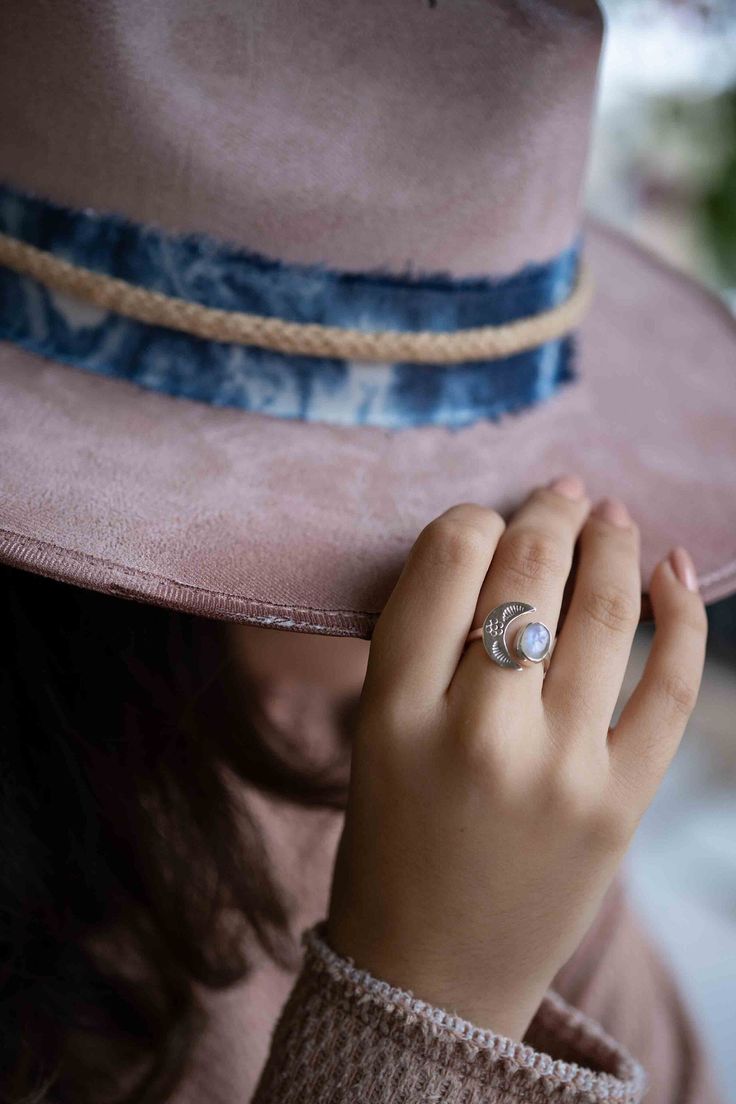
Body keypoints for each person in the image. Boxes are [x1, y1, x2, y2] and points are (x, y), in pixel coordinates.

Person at [1, 2, 735, 1102]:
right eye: (348, 493)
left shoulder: (436, 753)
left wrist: (520, 898)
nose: (470, 546)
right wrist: (426, 1005)